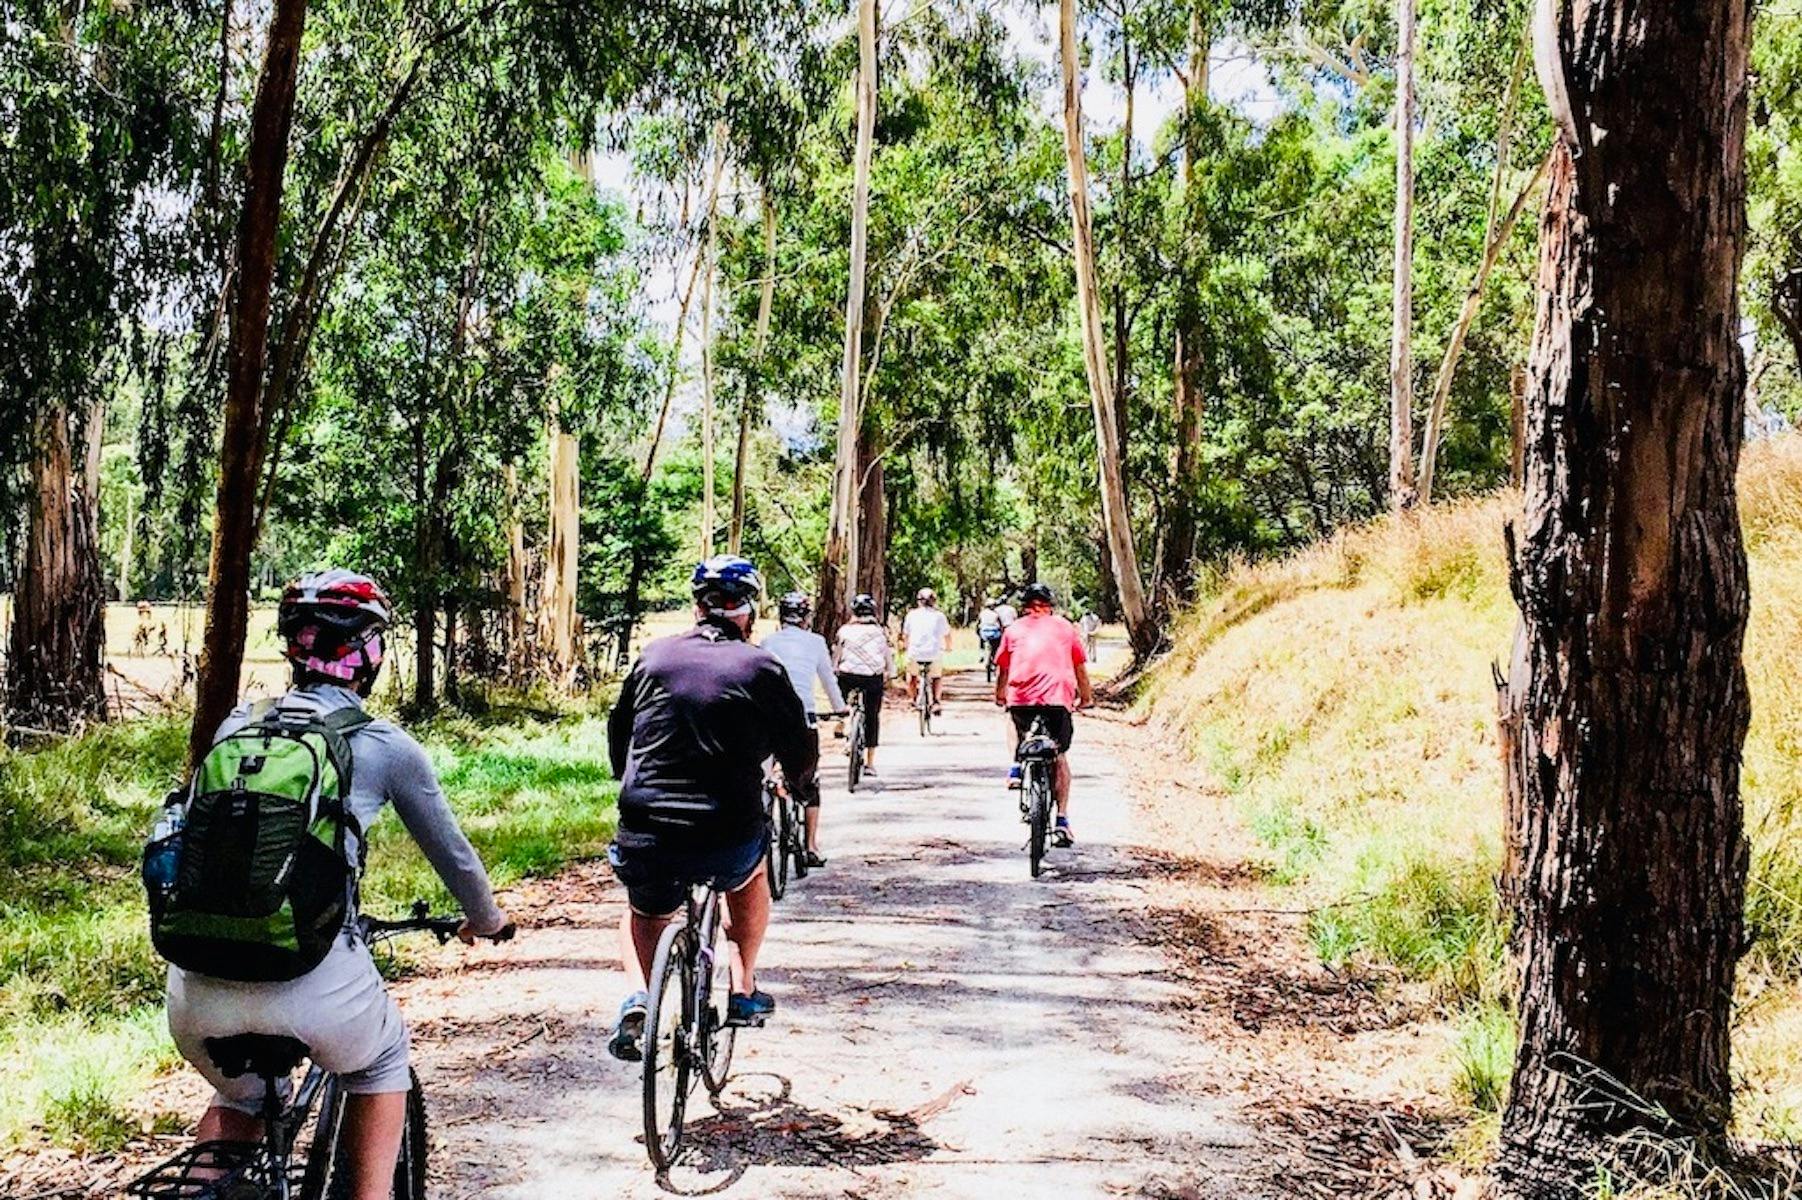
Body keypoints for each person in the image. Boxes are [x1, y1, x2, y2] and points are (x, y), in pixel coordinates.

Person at [165, 570, 513, 1200]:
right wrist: (487, 920)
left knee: (239, 1094)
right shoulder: (383, 745)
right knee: (381, 1064)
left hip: (196, 988)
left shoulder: (237, 727)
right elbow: (454, 857)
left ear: (292, 648)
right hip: (315, 983)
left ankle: (202, 1187)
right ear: (369, 653)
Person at [606, 555, 816, 1061]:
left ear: (697, 607)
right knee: (751, 876)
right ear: (749, 612)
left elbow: (619, 732)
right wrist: (799, 783)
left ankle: (640, 998)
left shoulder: (654, 657)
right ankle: (742, 988)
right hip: (726, 832)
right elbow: (798, 743)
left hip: (647, 827)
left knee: (645, 907)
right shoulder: (760, 666)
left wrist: (627, 777)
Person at [993, 581, 1094, 847]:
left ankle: (1016, 767)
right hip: (1058, 699)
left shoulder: (1013, 630)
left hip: (1021, 699)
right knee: (1059, 755)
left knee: (1011, 717)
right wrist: (1086, 698)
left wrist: (1001, 695)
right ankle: (1062, 820)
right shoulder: (1065, 628)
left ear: (1024, 606)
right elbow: (1080, 669)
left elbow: (1004, 669)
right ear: (1050, 606)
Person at [761, 592, 847, 866]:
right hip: (802, 720)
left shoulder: (767, 642)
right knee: (809, 784)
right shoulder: (816, 642)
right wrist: (840, 708)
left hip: (768, 721)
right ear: (806, 618)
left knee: (761, 777)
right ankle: (810, 847)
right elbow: (828, 680)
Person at [834, 592, 893, 778]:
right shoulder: (880, 632)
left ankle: (843, 722)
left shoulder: (844, 631)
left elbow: (837, 657)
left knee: (842, 700)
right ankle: (870, 763)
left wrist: (834, 669)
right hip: (872, 678)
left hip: (847, 676)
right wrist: (890, 673)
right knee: (872, 716)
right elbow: (887, 658)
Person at [902, 587, 951, 715]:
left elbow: (906, 635)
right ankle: (936, 702)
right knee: (936, 676)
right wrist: (948, 647)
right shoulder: (940, 616)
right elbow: (947, 635)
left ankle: (913, 700)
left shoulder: (911, 615)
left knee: (912, 675)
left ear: (919, 601)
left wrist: (906, 647)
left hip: (915, 653)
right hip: (934, 653)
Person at [977, 596, 1004, 674]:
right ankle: (995, 659)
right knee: (996, 646)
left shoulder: (982, 613)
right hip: (995, 633)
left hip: (984, 632)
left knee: (981, 640)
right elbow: (1000, 624)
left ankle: (982, 654)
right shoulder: (996, 614)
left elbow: (978, 623)